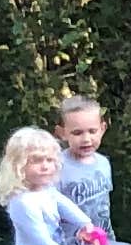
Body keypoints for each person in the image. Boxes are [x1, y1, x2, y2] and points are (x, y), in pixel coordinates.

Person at [51, 93, 119, 237]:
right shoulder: (56, 167)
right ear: (62, 133)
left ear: (102, 129)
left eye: (92, 131)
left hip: (103, 243)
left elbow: (105, 206)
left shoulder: (103, 163)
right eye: (77, 133)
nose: (86, 139)